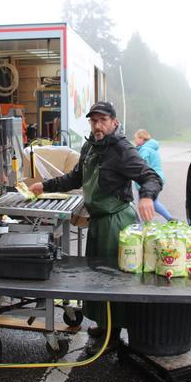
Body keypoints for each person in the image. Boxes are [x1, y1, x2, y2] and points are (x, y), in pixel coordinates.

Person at [30, 101, 162, 354]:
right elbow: (76, 177)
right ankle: (104, 325)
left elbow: (151, 177)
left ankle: (112, 337)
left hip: (117, 222)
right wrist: (44, 185)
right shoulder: (90, 145)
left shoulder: (123, 149)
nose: (98, 125)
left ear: (114, 122)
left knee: (114, 281)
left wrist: (146, 196)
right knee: (98, 278)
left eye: (103, 120)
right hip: (99, 221)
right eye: (94, 121)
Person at [133, 129, 172, 221]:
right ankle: (170, 219)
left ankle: (146, 226)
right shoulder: (152, 148)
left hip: (150, 179)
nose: (134, 140)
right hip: (157, 178)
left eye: (136, 138)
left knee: (145, 203)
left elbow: (141, 164)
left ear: (142, 138)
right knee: (154, 202)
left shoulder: (144, 150)